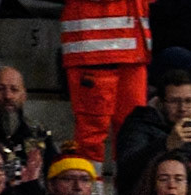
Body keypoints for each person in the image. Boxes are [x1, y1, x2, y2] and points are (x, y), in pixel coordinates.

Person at [59, 0, 149, 163]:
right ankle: (89, 189)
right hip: (94, 49)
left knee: (133, 134)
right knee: (91, 137)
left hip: (132, 52)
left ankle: (128, 188)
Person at [115, 70, 191, 195]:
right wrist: (166, 144)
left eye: (189, 101)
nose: (182, 108)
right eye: (174, 101)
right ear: (160, 102)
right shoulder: (139, 123)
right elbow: (127, 170)